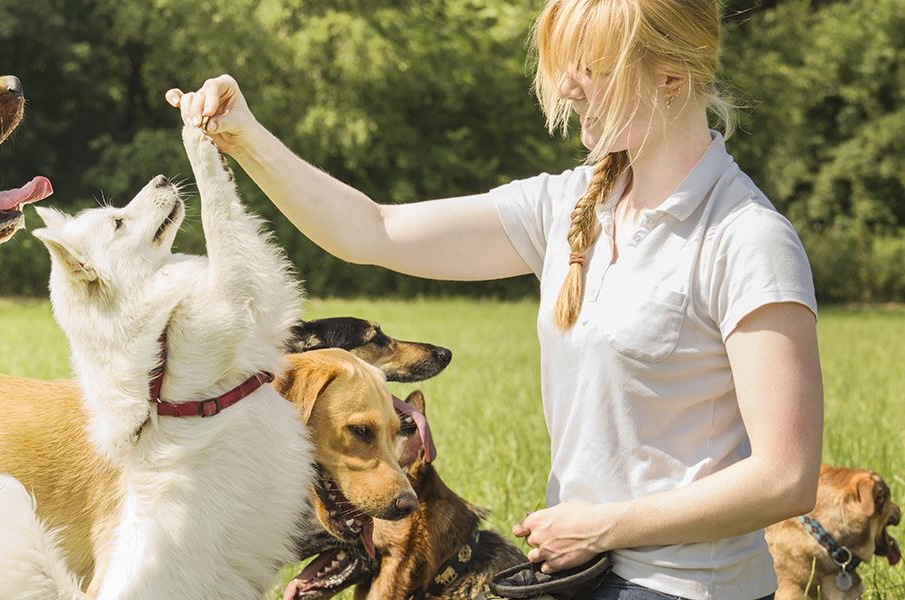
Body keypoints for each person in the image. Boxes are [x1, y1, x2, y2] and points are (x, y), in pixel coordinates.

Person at [165, 0, 823, 598]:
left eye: (589, 68)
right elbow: (373, 231)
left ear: (671, 79)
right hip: (572, 572)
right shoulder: (566, 205)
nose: (566, 87)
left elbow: (784, 477)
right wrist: (244, 134)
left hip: (684, 588)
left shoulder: (748, 241)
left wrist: (605, 527)